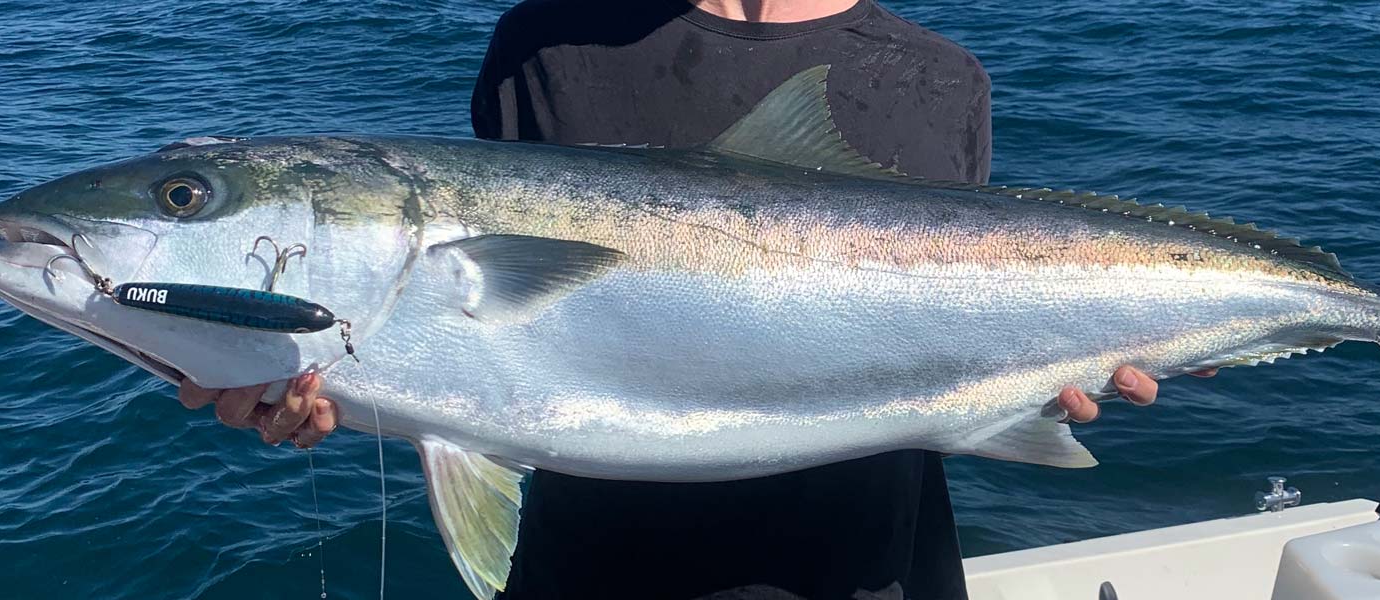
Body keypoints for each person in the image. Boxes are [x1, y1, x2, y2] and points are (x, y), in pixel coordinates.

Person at [178, 1, 1213, 598]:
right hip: (597, 571)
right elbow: (480, 340)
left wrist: (1069, 371)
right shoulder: (546, 43)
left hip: (871, 566)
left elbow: (956, 312)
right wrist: (319, 388)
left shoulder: (940, 76)